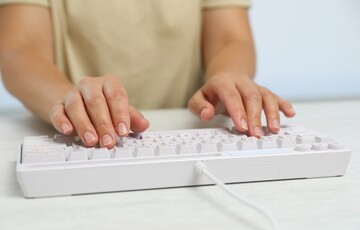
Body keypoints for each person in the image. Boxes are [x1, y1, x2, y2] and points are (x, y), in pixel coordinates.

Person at [0, 0, 295, 148]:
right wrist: (68, 103)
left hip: (189, 131)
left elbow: (232, 39)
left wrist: (228, 79)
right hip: (78, 141)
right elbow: (19, 49)